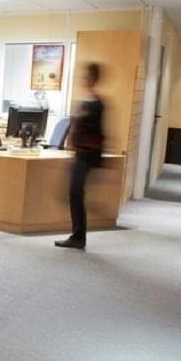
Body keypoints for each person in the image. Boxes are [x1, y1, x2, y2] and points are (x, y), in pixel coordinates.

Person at [55, 63, 105, 250]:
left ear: (92, 78)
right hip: (80, 154)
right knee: (74, 194)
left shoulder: (97, 104)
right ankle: (78, 235)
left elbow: (99, 133)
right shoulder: (86, 102)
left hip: (87, 155)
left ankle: (78, 236)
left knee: (75, 194)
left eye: (86, 76)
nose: (83, 79)